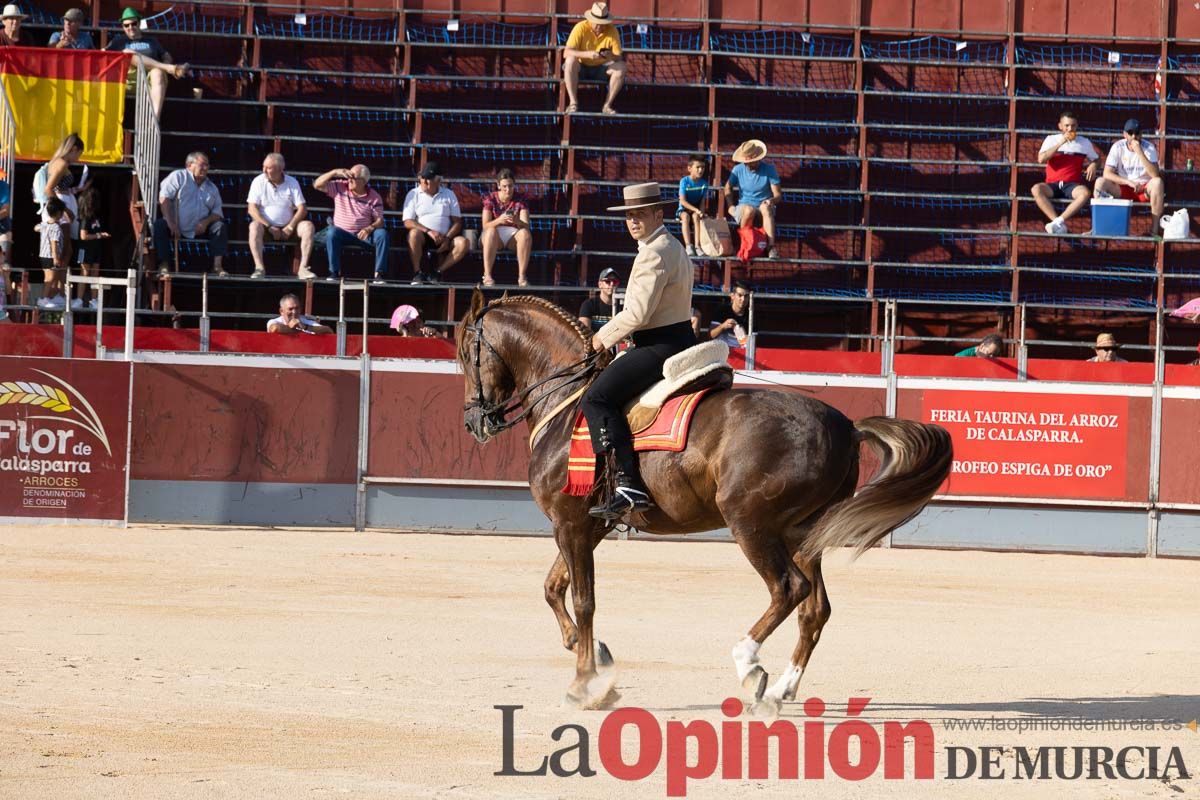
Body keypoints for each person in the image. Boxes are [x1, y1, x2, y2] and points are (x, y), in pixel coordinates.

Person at [581, 182, 696, 520]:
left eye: (640, 214)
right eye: (629, 215)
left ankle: (626, 483)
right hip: (677, 339)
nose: (633, 221)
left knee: (596, 399)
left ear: (658, 213)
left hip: (659, 346)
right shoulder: (670, 245)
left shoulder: (653, 251)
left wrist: (601, 337)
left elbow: (638, 314)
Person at [154, 151, 228, 277]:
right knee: (160, 225)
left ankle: (217, 267)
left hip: (200, 228)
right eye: (202, 165)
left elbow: (217, 212)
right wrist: (171, 223)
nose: (205, 168)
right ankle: (164, 265)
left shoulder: (211, 187)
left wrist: (205, 222)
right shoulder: (178, 177)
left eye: (207, 165)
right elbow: (164, 199)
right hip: (175, 224)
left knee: (219, 226)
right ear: (189, 165)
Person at [105, 8, 189, 118]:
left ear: (139, 23)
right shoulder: (118, 41)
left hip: (149, 80)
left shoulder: (151, 40)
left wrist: (166, 61)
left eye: (133, 23)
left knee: (158, 73)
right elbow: (103, 54)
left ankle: (155, 120)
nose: (130, 27)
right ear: (123, 27)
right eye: (126, 25)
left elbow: (166, 55)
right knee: (127, 53)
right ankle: (170, 69)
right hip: (129, 80)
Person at [313, 163, 388, 282]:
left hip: (364, 235)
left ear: (363, 181)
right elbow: (317, 185)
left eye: (353, 177)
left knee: (382, 234)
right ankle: (334, 272)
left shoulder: (374, 197)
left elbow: (380, 221)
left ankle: (379, 274)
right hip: (342, 233)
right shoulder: (340, 186)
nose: (349, 180)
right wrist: (334, 171)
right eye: (349, 176)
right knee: (332, 232)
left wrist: (369, 228)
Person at [247, 153, 315, 280]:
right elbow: (251, 209)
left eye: (268, 168)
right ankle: (259, 268)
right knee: (254, 226)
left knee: (308, 226)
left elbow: (302, 208)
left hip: (288, 228)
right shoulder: (258, 181)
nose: (264, 170)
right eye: (264, 167)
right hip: (266, 227)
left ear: (280, 169)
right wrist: (269, 226)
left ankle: (303, 268)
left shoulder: (292, 182)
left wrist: (290, 227)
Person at [1032, 110, 1101, 235]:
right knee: (1036, 189)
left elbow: (1097, 159)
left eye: (1073, 125)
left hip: (1071, 185)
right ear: (1060, 126)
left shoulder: (1084, 142)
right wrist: (1060, 143)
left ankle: (1058, 222)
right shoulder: (1051, 139)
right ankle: (1057, 223)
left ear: (1077, 126)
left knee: (1085, 193)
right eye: (1067, 126)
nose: (1070, 129)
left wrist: (1093, 165)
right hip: (1052, 184)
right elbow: (1041, 159)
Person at [402, 162, 467, 285]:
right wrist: (428, 231)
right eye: (423, 178)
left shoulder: (449, 194)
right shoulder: (414, 194)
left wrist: (447, 238)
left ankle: (437, 272)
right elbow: (408, 221)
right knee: (413, 234)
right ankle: (417, 273)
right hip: (424, 236)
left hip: (444, 237)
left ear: (438, 181)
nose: (424, 182)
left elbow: (457, 222)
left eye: (428, 179)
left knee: (463, 243)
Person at [1095, 118, 1165, 228]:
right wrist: (1128, 182)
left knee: (1158, 182)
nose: (1134, 136)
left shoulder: (1149, 147)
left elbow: (1155, 175)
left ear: (1141, 134)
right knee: (1100, 182)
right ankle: (1099, 227)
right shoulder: (1118, 146)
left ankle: (1154, 230)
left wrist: (1140, 152)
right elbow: (1107, 174)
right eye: (1130, 133)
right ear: (1125, 134)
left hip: (1143, 189)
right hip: (1124, 187)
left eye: (1137, 133)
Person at [562, 2, 625, 116]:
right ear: (590, 19)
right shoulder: (580, 27)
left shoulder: (612, 31)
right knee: (570, 61)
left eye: (602, 24)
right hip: (580, 68)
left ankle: (607, 105)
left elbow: (619, 57)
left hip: (602, 68)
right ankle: (573, 103)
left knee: (621, 67)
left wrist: (610, 55)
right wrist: (588, 54)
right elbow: (566, 52)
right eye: (597, 23)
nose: (599, 26)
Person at [724, 139, 782, 258]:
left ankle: (771, 247)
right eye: (747, 162)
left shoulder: (769, 170)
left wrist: (771, 201)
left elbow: (778, 195)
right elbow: (727, 187)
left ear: (758, 159)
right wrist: (730, 206)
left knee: (766, 208)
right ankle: (744, 244)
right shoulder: (738, 170)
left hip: (764, 205)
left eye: (751, 161)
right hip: (744, 206)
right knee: (749, 210)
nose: (749, 164)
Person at [41, 133, 87, 266]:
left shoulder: (58, 162)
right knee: (64, 249)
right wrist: (65, 209)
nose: (78, 158)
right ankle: (57, 282)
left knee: (66, 249)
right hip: (60, 206)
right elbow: (49, 188)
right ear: (73, 149)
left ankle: (60, 282)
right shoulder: (61, 163)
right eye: (79, 154)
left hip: (62, 202)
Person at [480, 168, 532, 287]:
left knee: (525, 234)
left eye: (510, 186)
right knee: (491, 231)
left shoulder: (521, 199)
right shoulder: (490, 199)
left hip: (513, 235)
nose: (508, 190)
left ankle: (522, 277)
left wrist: (517, 221)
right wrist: (499, 220)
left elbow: (526, 225)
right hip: (493, 236)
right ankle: (487, 275)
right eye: (504, 186)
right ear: (498, 185)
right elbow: (485, 225)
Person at [73, 184, 108, 310]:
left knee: (95, 273)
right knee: (85, 272)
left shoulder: (97, 216)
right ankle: (79, 299)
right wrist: (99, 235)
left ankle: (94, 300)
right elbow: (83, 236)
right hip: (85, 248)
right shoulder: (85, 217)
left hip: (96, 248)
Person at [37, 198, 68, 310]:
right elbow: (54, 243)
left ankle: (48, 297)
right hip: (50, 256)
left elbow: (36, 228)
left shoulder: (44, 224)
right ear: (59, 213)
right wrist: (56, 258)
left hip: (43, 255)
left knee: (48, 278)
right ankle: (43, 299)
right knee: (50, 279)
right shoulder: (56, 227)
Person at [677, 154, 709, 257]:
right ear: (689, 168)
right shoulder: (684, 181)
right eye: (698, 167)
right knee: (685, 217)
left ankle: (697, 246)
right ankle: (688, 246)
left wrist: (701, 212)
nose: (701, 170)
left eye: (703, 167)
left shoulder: (704, 183)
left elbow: (702, 202)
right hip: (684, 209)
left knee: (696, 217)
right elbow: (682, 201)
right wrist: (696, 209)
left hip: (696, 210)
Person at [708, 280, 751, 348]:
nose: (743, 299)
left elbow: (748, 345)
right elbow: (710, 336)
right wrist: (723, 326)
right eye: (740, 295)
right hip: (721, 351)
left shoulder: (751, 315)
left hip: (741, 352)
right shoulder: (722, 310)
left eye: (746, 296)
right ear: (732, 296)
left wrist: (738, 330)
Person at [578, 267, 620, 333]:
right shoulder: (588, 305)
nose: (612, 284)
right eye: (608, 281)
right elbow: (584, 334)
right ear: (600, 284)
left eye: (615, 281)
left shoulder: (623, 306)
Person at [267, 293, 331, 335]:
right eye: (290, 309)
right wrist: (295, 329)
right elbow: (274, 328)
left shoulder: (304, 321)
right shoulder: (275, 321)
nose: (294, 312)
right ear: (281, 311)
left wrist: (305, 327)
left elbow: (328, 330)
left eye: (297, 308)